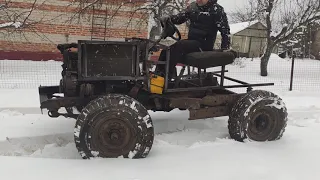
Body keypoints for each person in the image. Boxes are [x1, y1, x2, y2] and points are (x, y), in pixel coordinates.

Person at [156, 0, 231, 78]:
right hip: (192, 42)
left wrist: (225, 47)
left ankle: (166, 76)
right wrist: (169, 19)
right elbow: (179, 18)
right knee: (166, 50)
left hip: (204, 44)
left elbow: (225, 30)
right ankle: (158, 75)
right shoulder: (193, 7)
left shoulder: (216, 10)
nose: (198, 0)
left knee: (179, 45)